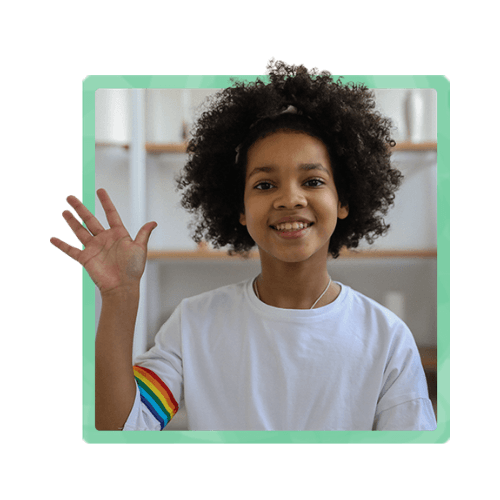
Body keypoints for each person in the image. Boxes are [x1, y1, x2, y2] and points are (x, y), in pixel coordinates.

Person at [51, 58, 437, 431]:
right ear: (239, 208)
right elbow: (121, 430)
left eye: (313, 181)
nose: (290, 199)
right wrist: (119, 298)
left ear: (344, 200)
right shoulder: (194, 324)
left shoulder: (387, 338)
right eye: (265, 185)